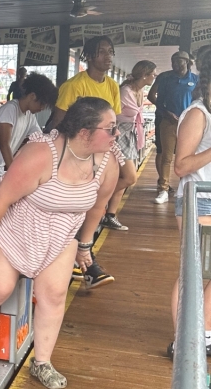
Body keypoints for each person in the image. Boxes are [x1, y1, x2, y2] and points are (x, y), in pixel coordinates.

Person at [0, 97, 120, 389]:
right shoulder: (40, 155)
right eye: (110, 129)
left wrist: (85, 246)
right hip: (16, 227)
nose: (116, 134)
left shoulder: (108, 163)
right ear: (85, 132)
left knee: (55, 295)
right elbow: (1, 201)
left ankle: (42, 362)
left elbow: (97, 208)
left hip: (61, 234)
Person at [46, 35, 122, 286]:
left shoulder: (111, 86)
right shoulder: (73, 85)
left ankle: (84, 250)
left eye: (110, 51)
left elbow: (114, 122)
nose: (108, 56)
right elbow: (59, 123)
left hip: (100, 148)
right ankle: (79, 258)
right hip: (74, 150)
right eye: (102, 52)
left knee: (121, 179)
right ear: (89, 56)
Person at [168, 47, 211, 359]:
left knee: (204, 273)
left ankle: (204, 333)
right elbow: (181, 165)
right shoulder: (198, 113)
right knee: (195, 273)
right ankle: (183, 341)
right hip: (199, 200)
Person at [0, 73, 58, 192]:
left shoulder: (29, 116)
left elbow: (40, 140)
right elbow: (4, 145)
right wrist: (14, 174)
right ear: (32, 96)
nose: (42, 108)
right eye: (42, 104)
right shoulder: (10, 109)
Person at [100, 60, 157, 229]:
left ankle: (110, 215)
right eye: (153, 74)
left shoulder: (140, 91)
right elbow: (111, 114)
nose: (154, 77)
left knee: (122, 177)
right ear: (145, 75)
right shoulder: (125, 92)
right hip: (119, 134)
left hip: (130, 134)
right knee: (130, 177)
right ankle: (97, 202)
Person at [148, 50, 198, 204]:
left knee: (186, 157)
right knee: (166, 156)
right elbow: (158, 99)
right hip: (168, 121)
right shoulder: (166, 78)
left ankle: (185, 189)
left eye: (178, 61)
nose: (175, 64)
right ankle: (163, 189)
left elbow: (198, 100)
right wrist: (166, 113)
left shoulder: (195, 79)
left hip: (188, 123)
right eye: (173, 61)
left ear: (187, 62)